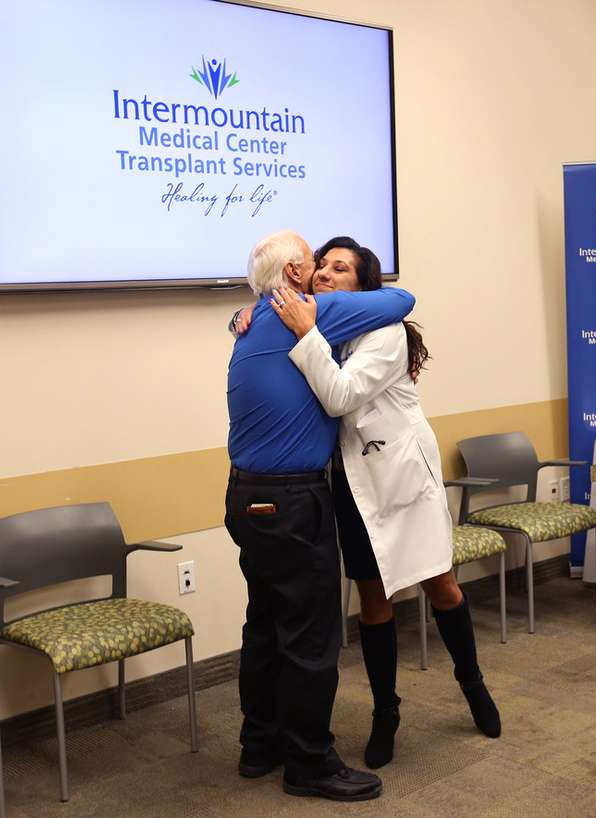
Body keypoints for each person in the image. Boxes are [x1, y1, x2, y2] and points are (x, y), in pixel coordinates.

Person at [268, 236, 501, 770]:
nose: (324, 273)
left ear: (363, 285)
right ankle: (385, 714)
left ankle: (473, 686)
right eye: (321, 266)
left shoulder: (385, 331)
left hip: (402, 475)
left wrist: (306, 334)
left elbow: (342, 396)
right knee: (374, 601)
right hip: (353, 482)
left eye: (340, 268)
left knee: (440, 584)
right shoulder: (322, 327)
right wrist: (244, 319)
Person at [225, 230, 415, 802]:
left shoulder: (250, 326)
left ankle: (259, 746)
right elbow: (400, 302)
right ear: (291, 277)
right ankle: (309, 762)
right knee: (311, 638)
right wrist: (310, 314)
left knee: (265, 626)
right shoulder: (309, 313)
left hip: (245, 496)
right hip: (292, 500)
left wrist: (245, 307)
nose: (321, 276)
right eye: (312, 266)